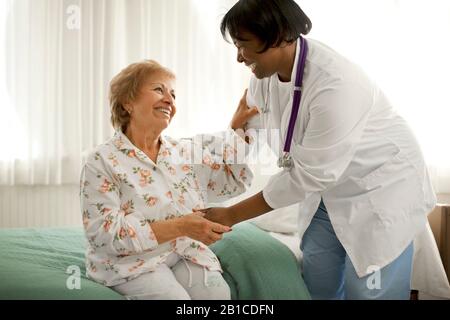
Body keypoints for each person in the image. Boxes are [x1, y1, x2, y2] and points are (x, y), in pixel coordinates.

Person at [203, 0, 437, 300]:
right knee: (318, 289)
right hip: (326, 195)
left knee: (369, 294)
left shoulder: (337, 83)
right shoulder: (262, 80)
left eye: (243, 44)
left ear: (278, 36)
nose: (238, 57)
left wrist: (231, 214)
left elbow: (306, 177)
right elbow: (253, 132)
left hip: (379, 192)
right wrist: (235, 132)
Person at [79, 60, 255, 300]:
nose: (170, 100)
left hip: (181, 251)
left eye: (173, 94)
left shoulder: (184, 151)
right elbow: (104, 234)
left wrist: (238, 132)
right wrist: (182, 226)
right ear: (127, 103)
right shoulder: (101, 160)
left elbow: (230, 182)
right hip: (128, 261)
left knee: (217, 293)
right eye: (159, 90)